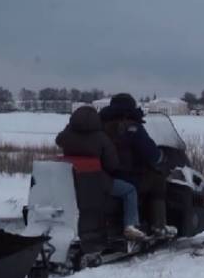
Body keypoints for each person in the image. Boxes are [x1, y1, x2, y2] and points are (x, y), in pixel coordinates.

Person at [55, 105, 145, 240]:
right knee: (130, 190)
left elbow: (58, 140)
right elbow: (112, 164)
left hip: (70, 179)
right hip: (96, 181)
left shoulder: (67, 135)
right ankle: (130, 226)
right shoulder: (101, 137)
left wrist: (70, 128)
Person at [99, 94, 178, 237]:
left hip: (106, 177)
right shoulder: (133, 128)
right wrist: (162, 158)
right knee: (158, 179)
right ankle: (158, 225)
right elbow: (152, 154)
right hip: (129, 177)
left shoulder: (101, 126)